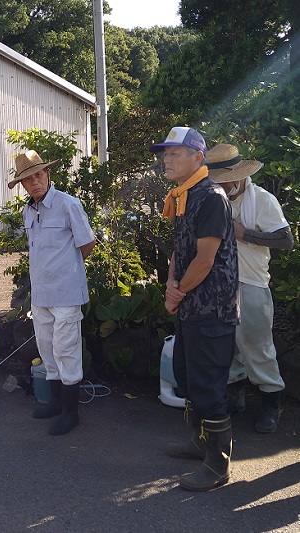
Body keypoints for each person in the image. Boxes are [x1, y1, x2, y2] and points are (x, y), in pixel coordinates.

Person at [150, 127, 239, 491]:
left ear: (198, 158)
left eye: (175, 153)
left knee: (208, 386)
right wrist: (172, 285)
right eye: (165, 153)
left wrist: (176, 293)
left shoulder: (212, 198)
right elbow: (180, 252)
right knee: (188, 378)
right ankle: (199, 443)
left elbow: (204, 261)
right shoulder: (184, 195)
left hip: (212, 310)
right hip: (191, 306)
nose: (166, 159)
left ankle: (218, 466)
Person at [206, 143, 294, 433]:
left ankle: (272, 404)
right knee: (228, 344)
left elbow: (285, 240)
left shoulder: (263, 200)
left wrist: (247, 235)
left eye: (222, 180)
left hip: (252, 282)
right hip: (220, 282)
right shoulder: (217, 198)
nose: (218, 185)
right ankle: (236, 397)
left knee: (257, 345)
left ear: (238, 176)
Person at [8, 150, 95, 436]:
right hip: (41, 294)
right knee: (47, 349)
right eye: (28, 179)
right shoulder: (28, 211)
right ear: (22, 185)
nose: (35, 182)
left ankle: (71, 412)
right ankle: (56, 403)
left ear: (47, 174)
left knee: (67, 350)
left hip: (66, 292)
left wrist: (66, 270)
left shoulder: (68, 205)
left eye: (39, 175)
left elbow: (87, 244)